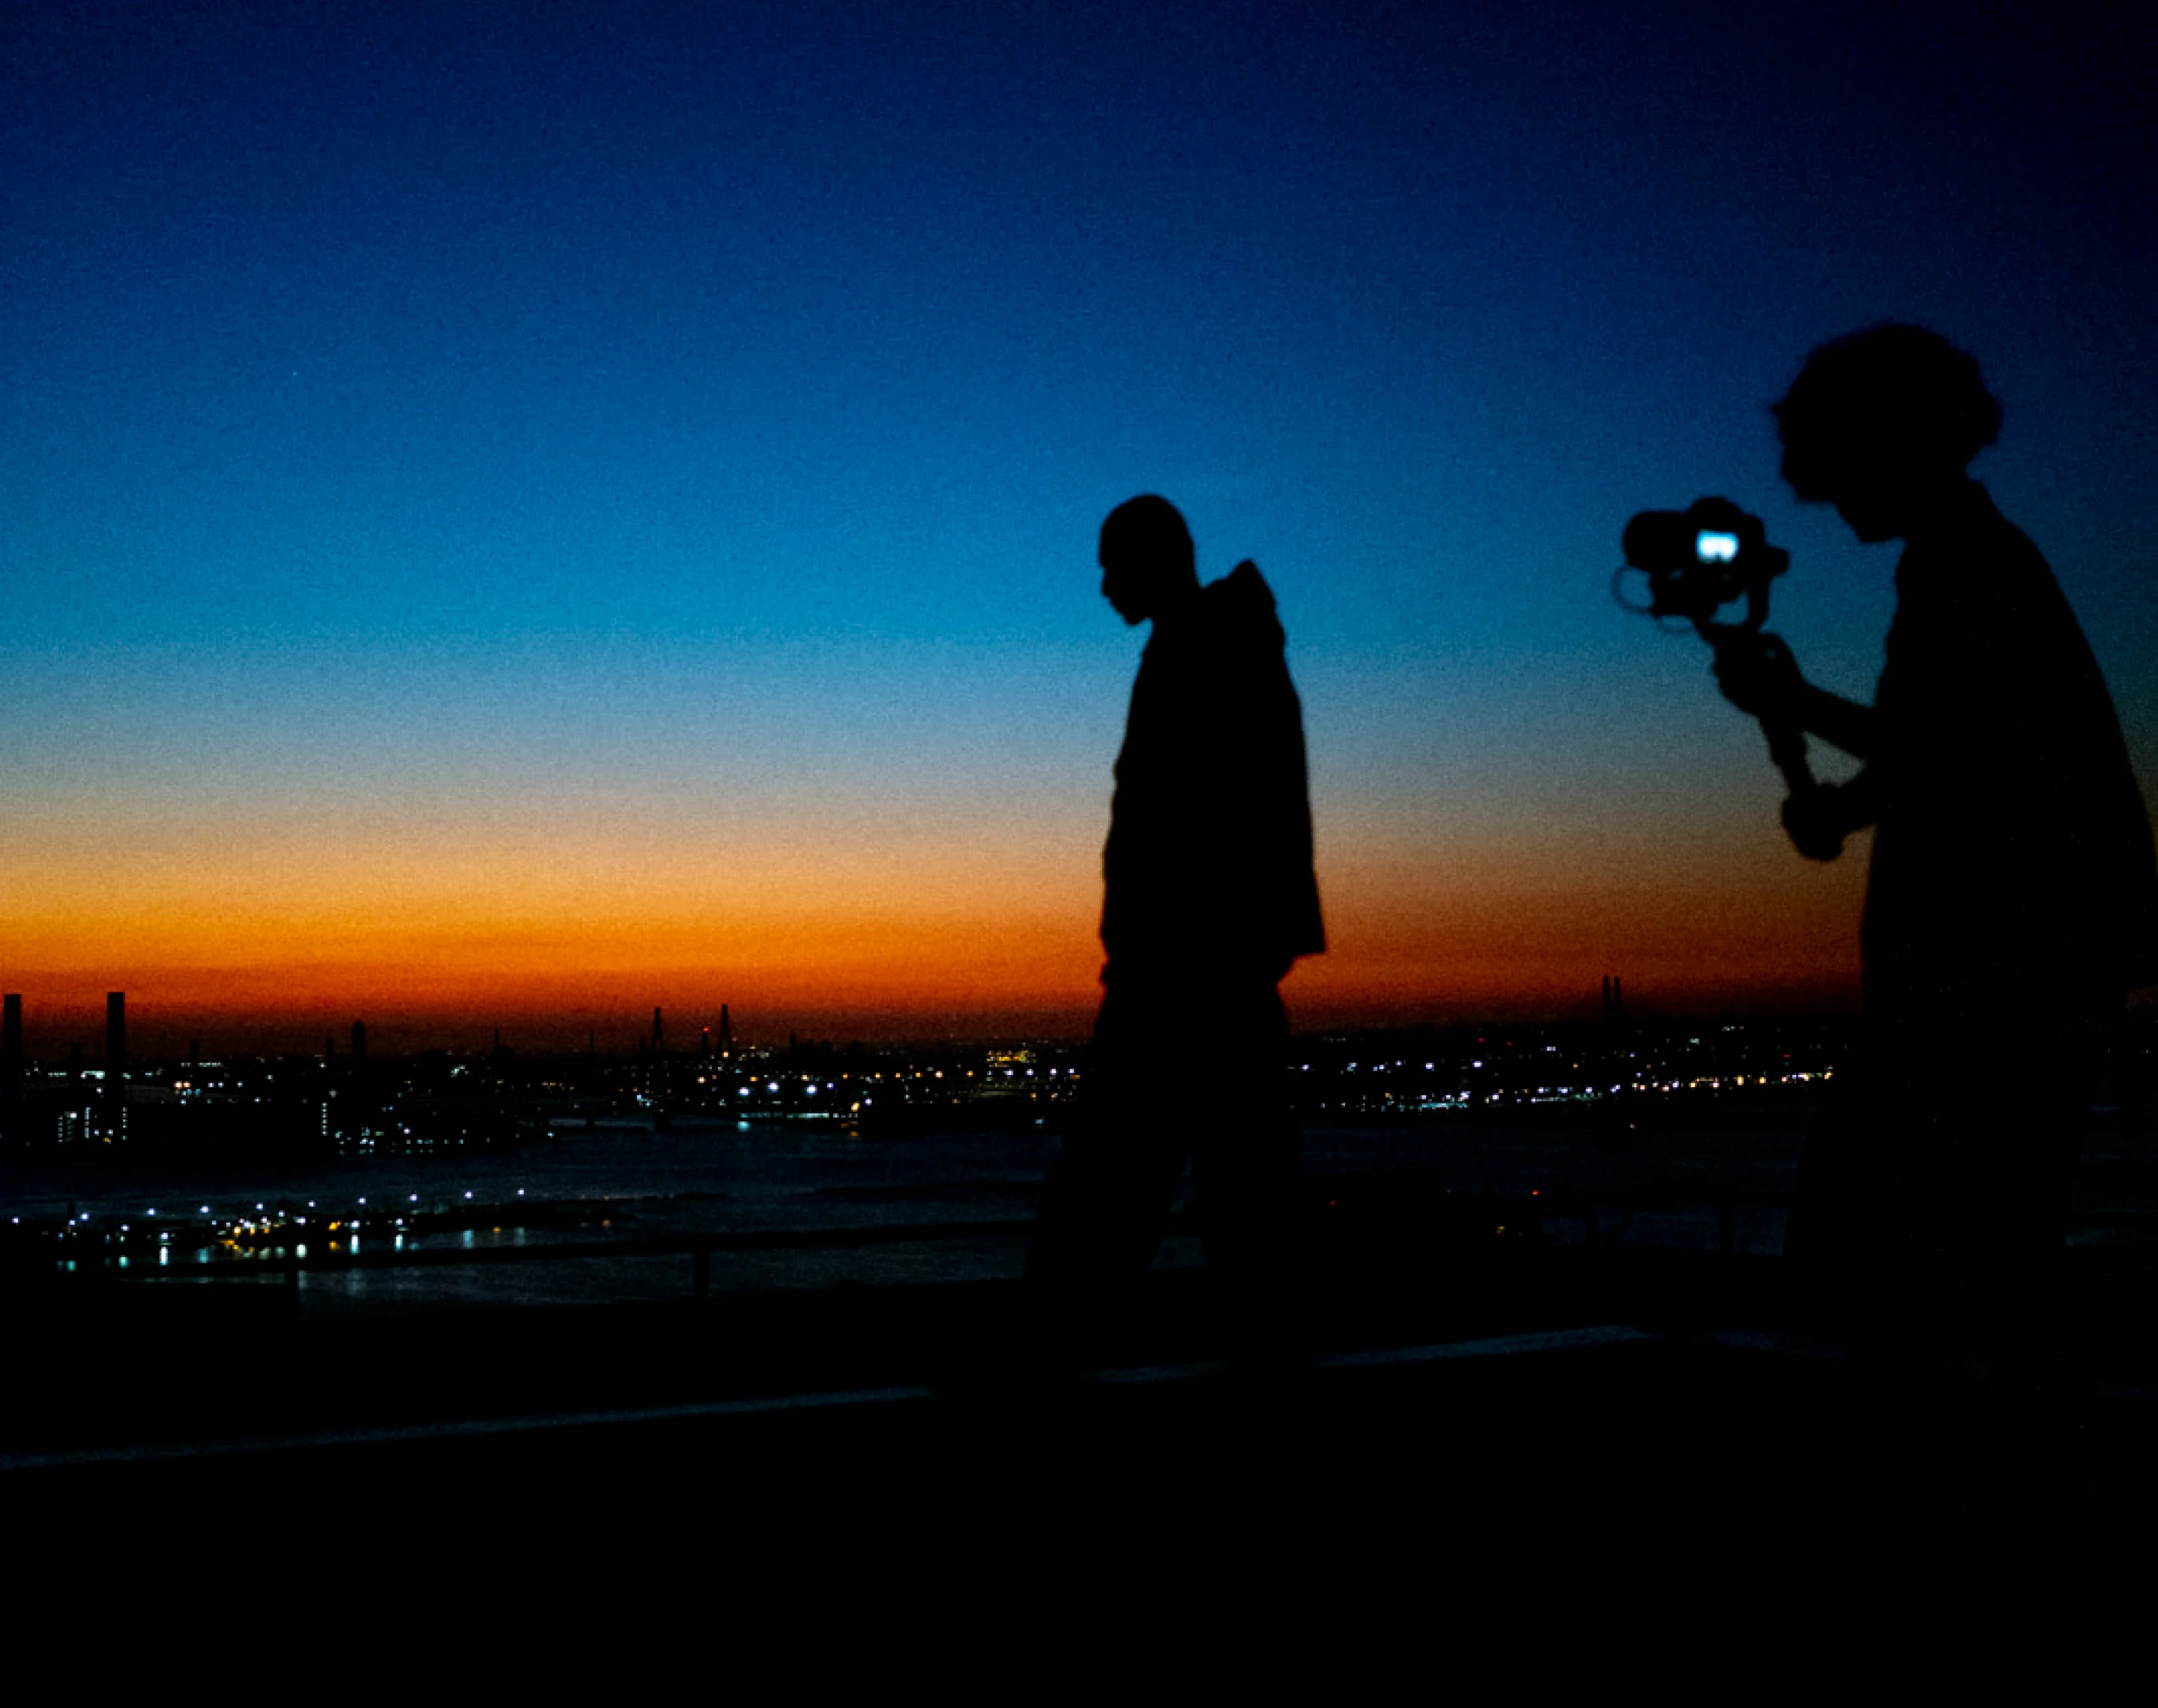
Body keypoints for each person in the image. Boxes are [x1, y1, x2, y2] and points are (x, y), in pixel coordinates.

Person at [1716, 324, 2158, 1386]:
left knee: (1902, 1248)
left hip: (1996, 967)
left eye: (1835, 464)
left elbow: (1943, 750)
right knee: (1977, 1241)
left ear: (1882, 441)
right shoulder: (1972, 559)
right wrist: (1843, 799)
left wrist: (1794, 706)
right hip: (2029, 959)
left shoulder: (1966, 567)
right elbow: (1960, 748)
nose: (1827, 499)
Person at [1026, 494, 1325, 1369]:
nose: (1104, 587)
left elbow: (1222, 812)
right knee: (1239, 1171)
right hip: (1203, 956)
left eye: (1112, 566)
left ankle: (1054, 1353)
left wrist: (1170, 943)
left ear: (1154, 560)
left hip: (1183, 963)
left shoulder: (1205, 646)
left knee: (1123, 1171)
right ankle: (1267, 1347)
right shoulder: (1207, 643)